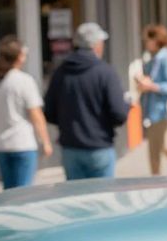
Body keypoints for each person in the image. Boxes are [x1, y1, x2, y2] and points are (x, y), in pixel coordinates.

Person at [43, 20, 129, 180]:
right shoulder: (105, 72)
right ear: (96, 45)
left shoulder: (61, 72)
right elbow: (119, 114)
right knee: (101, 200)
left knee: (76, 200)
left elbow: (49, 112)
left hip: (71, 148)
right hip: (99, 147)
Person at [0, 34, 52, 189]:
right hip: (22, 144)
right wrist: (46, 141)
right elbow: (36, 115)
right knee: (23, 193)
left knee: (8, 192)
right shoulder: (24, 80)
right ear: (19, 57)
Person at [136, 24, 167, 176]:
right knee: (153, 152)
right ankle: (155, 181)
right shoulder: (153, 59)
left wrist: (151, 86)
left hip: (165, 112)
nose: (146, 44)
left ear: (156, 41)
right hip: (153, 112)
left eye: (148, 40)